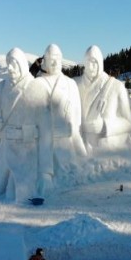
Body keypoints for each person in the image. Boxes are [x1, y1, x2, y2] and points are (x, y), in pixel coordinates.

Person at [0, 48, 53, 200]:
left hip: (27, 153)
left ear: (23, 64)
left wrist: (46, 171)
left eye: (14, 63)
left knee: (19, 195)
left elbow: (46, 131)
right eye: (8, 63)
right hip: (4, 152)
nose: (10, 67)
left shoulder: (37, 88)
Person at [36, 44, 87, 180]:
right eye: (51, 59)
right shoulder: (37, 83)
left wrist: (80, 148)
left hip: (67, 147)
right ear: (45, 61)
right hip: (45, 148)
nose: (55, 62)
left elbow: (77, 120)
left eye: (58, 59)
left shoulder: (71, 84)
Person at [75, 45, 131, 153]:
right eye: (87, 62)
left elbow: (129, 123)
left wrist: (105, 126)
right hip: (80, 151)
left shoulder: (116, 86)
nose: (90, 66)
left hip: (105, 153)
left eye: (94, 62)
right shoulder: (74, 84)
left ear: (100, 63)